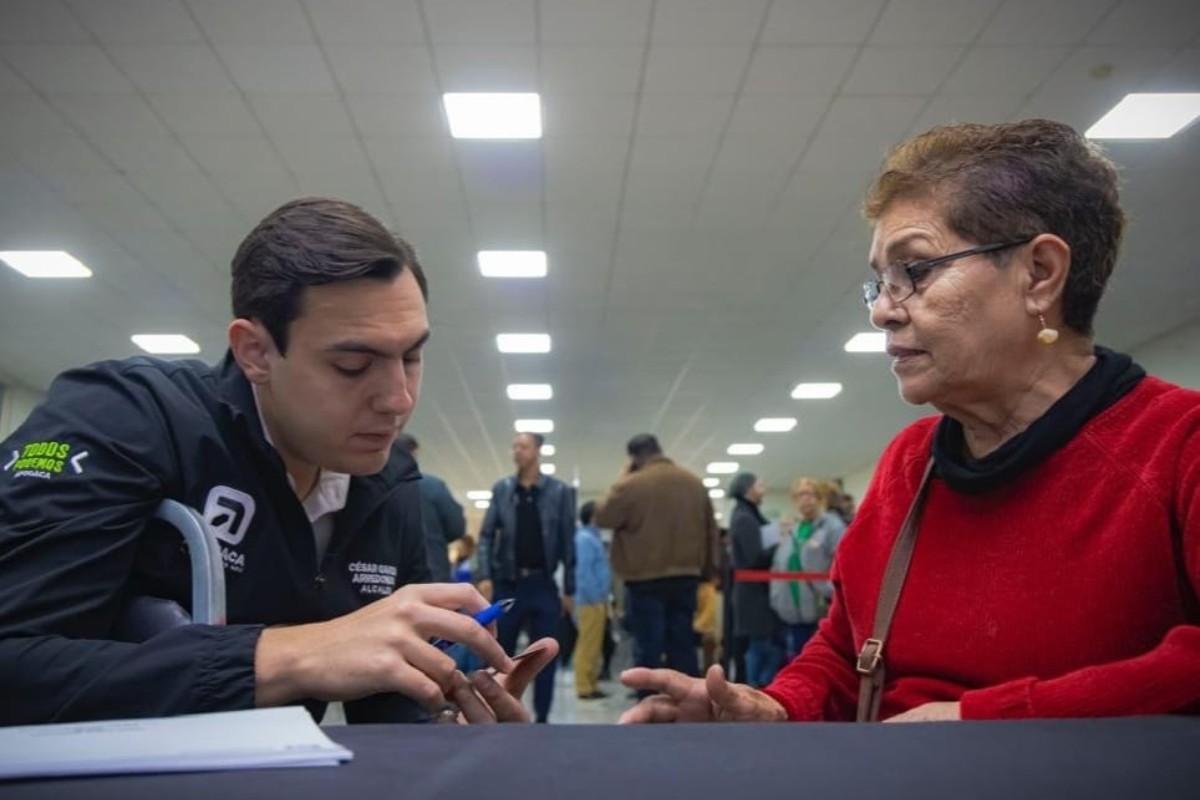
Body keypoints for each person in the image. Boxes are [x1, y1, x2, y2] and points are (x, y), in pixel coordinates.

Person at [620, 118, 1200, 724]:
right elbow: (846, 651)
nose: (882, 312)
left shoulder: (1179, 446)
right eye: (879, 281)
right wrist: (775, 709)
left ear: (1040, 275)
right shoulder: (911, 462)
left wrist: (977, 724)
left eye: (916, 270)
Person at [0, 197, 555, 726]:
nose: (399, 399)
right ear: (256, 353)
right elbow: (16, 662)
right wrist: (290, 654)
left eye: (411, 357)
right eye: (354, 364)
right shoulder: (126, 418)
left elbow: (388, 708)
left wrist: (445, 721)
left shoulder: (389, 484)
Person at [593, 433, 717, 686]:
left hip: (644, 578)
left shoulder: (632, 484)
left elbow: (603, 517)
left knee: (648, 646)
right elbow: (711, 531)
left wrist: (624, 477)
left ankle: (650, 708)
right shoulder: (694, 482)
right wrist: (708, 571)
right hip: (686, 575)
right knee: (683, 644)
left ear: (634, 458)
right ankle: (688, 704)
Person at [476, 431, 576, 723]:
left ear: (538, 451)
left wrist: (569, 589)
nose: (517, 451)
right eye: (514, 446)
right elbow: (485, 536)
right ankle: (495, 713)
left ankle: (542, 719)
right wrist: (485, 575)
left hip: (543, 584)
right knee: (498, 654)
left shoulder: (559, 492)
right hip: (508, 583)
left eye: (524, 446)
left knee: (544, 654)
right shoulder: (503, 490)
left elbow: (568, 542)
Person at [769, 477, 846, 659]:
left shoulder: (832, 526)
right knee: (796, 658)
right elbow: (778, 565)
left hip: (820, 609)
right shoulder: (794, 529)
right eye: (800, 495)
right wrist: (776, 597)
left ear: (819, 498)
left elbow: (843, 563)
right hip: (791, 609)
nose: (805, 499)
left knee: (819, 659)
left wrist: (827, 590)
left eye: (809, 493)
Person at [727, 472, 781, 688]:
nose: (764, 488)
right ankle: (755, 688)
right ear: (748, 489)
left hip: (753, 592)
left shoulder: (747, 514)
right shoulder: (744, 518)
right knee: (761, 647)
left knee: (761, 646)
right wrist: (779, 542)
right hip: (753, 595)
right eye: (760, 484)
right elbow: (754, 557)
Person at [397, 433, 465, 581]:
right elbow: (456, 528)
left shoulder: (373, 485)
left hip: (385, 574)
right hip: (431, 570)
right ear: (414, 453)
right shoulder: (432, 486)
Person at [572, 501, 612, 699]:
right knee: (587, 643)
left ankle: (591, 682)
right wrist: (595, 597)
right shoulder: (585, 539)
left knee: (594, 645)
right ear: (593, 516)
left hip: (597, 599)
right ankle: (584, 686)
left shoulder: (593, 538)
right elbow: (584, 572)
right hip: (590, 600)